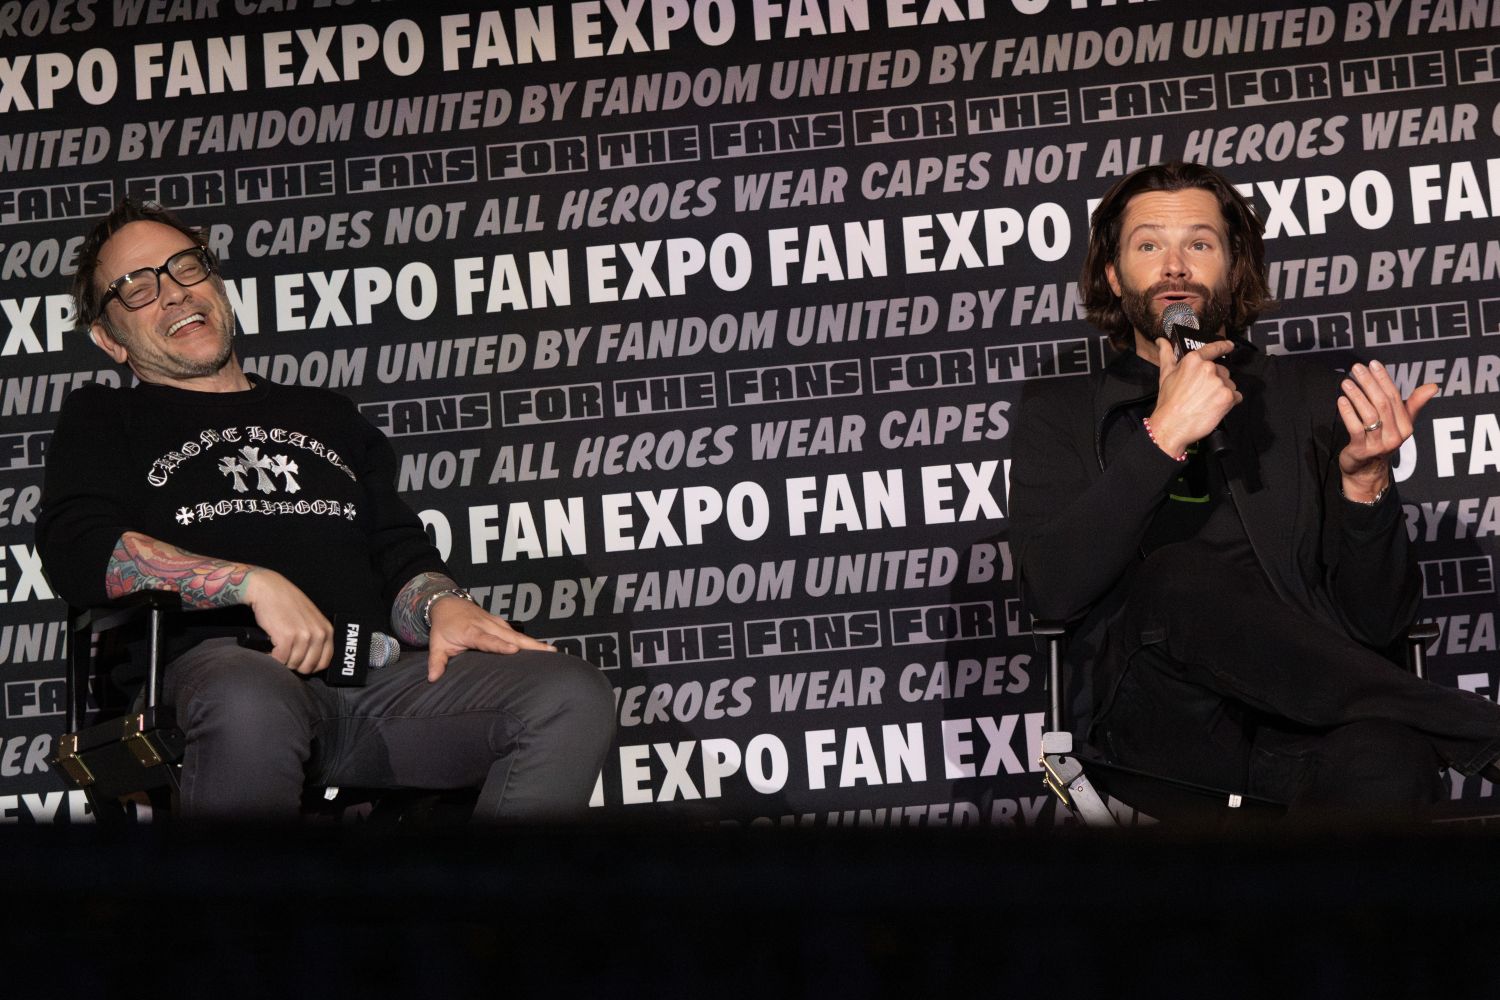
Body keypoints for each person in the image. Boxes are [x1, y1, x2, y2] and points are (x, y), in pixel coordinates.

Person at [38, 199, 616, 822]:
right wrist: (252, 583)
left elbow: (397, 551)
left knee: (566, 693)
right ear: (108, 338)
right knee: (248, 694)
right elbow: (80, 547)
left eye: (185, 267)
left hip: (372, 681)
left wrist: (439, 604)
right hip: (220, 677)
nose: (173, 294)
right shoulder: (104, 417)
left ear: (216, 283)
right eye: (137, 289)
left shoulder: (327, 415)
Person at [1008, 160, 1500, 820]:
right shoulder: (1058, 411)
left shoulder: (1314, 399)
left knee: (1390, 757)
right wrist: (1164, 437)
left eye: (1200, 244)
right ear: (1111, 273)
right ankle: (1477, 729)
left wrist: (1366, 487)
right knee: (1178, 577)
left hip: (1311, 729)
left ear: (1234, 268)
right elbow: (1053, 588)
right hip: (1158, 732)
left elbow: (1380, 623)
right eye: (1149, 244)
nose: (1175, 267)